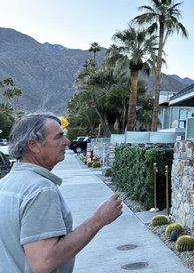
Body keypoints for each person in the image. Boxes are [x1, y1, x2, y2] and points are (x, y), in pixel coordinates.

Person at [0, 113, 123, 273]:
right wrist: (98, 220)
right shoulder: (40, 190)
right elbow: (44, 261)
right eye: (58, 137)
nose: (67, 142)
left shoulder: (6, 183)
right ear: (34, 145)